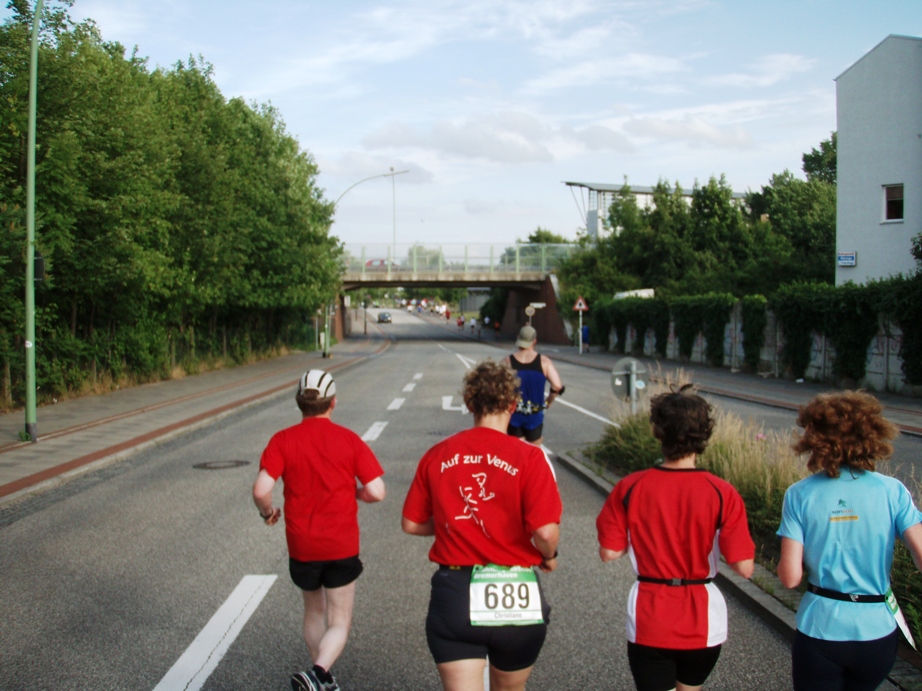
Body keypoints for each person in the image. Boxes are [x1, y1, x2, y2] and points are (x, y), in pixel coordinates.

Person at [402, 360, 562, 691]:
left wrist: (452, 524)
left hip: (456, 591)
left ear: (469, 404)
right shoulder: (531, 458)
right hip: (517, 592)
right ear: (513, 405)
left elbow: (412, 523)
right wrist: (548, 554)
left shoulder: (438, 454)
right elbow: (545, 532)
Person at [596, 386, 755, 691]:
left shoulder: (630, 487)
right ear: (704, 435)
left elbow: (609, 552)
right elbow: (745, 567)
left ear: (658, 432)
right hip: (703, 618)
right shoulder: (723, 493)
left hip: (650, 615)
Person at [777, 391, 922, 691]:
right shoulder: (893, 491)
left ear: (815, 438)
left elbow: (790, 578)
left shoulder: (799, 494)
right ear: (872, 435)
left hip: (820, 629)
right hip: (877, 631)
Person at [252, 369, 386, 691]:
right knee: (339, 620)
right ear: (333, 403)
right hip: (341, 545)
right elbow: (377, 491)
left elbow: (260, 490)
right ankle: (318, 673)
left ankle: (320, 680)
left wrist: (268, 512)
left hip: (303, 545)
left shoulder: (282, 440)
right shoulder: (349, 440)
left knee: (314, 610)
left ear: (299, 403)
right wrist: (356, 492)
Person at [501, 325, 564, 447]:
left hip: (514, 414)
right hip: (535, 414)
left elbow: (498, 387)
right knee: (534, 451)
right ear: (534, 341)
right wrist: (548, 402)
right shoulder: (544, 362)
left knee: (516, 450)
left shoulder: (507, 361)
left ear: (518, 338)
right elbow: (557, 386)